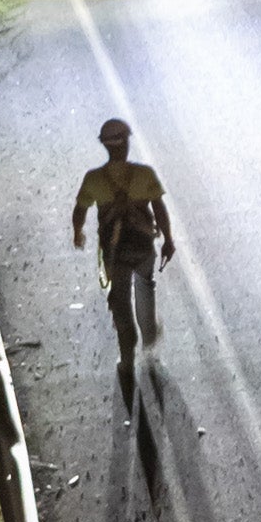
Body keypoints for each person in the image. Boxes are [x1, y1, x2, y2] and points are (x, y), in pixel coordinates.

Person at [71, 117, 175, 390]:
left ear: (105, 146)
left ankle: (126, 360)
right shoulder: (144, 174)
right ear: (126, 144)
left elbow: (80, 210)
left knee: (120, 303)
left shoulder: (93, 179)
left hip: (114, 254)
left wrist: (77, 232)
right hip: (143, 250)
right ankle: (150, 335)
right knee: (145, 291)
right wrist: (169, 240)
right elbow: (159, 210)